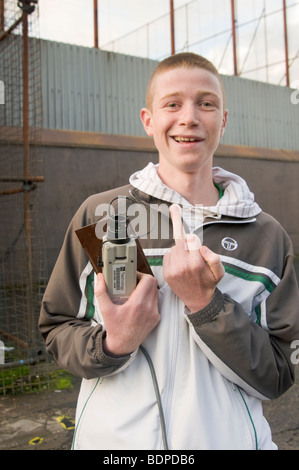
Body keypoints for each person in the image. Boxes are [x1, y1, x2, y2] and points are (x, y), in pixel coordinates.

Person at [39, 52, 299, 450]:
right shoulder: (102, 216)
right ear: (148, 120)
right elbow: (57, 326)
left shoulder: (267, 237)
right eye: (172, 103)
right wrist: (114, 343)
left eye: (206, 103)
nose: (189, 117)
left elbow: (278, 374)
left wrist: (207, 304)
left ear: (223, 120)